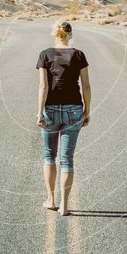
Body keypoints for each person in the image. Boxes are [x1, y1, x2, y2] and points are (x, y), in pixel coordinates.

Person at [36, 19, 91, 216]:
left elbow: (43, 87)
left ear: (54, 34)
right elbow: (86, 86)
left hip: (50, 109)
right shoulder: (78, 55)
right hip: (74, 108)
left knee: (49, 156)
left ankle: (51, 199)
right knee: (67, 159)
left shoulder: (45, 55)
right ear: (70, 34)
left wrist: (39, 111)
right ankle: (65, 205)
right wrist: (87, 110)